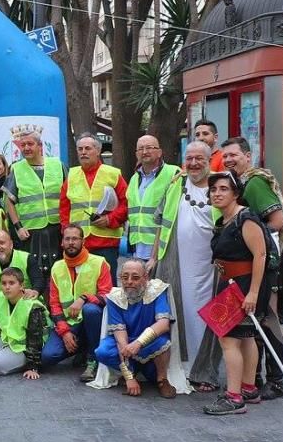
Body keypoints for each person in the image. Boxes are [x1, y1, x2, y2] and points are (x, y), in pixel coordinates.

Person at [221, 135, 283, 400]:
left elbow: (278, 220)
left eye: (234, 155)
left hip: (268, 264)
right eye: (225, 156)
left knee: (268, 320)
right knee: (255, 322)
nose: (229, 160)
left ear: (248, 157)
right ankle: (255, 379)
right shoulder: (239, 184)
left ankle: (274, 381)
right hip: (253, 264)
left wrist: (248, 239)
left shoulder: (255, 183)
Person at [202, 171, 275, 415]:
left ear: (236, 193)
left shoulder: (246, 219)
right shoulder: (224, 220)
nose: (217, 193)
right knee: (245, 336)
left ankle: (234, 397)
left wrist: (253, 293)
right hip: (230, 283)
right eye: (214, 190)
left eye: (223, 189)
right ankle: (248, 387)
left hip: (244, 285)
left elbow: (261, 255)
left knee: (228, 339)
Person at [149, 141, 218, 389]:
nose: (193, 163)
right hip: (174, 264)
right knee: (178, 314)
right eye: (189, 158)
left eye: (199, 158)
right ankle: (180, 367)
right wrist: (154, 256)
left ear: (209, 160)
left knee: (207, 316)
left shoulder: (219, 187)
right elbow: (160, 223)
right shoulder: (176, 184)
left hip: (211, 268)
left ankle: (204, 371)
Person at [91, 259, 182, 399]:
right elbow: (121, 339)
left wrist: (139, 343)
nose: (129, 281)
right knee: (103, 351)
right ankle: (131, 372)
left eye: (135, 277)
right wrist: (129, 378)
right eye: (125, 277)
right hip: (127, 344)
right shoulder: (115, 298)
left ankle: (162, 380)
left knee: (163, 342)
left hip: (149, 344)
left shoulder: (157, 291)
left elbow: (163, 324)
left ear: (145, 278)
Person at [40, 223, 111, 381]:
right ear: (62, 242)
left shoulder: (99, 262)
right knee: (47, 357)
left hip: (91, 320)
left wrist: (84, 298)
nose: (71, 242)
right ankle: (81, 347)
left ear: (83, 242)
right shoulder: (57, 267)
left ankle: (93, 359)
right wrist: (64, 332)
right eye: (67, 239)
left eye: (75, 239)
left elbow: (107, 297)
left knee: (90, 310)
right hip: (69, 324)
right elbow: (54, 304)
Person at [60, 132, 128, 280]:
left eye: (88, 148)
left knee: (106, 286)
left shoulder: (113, 174)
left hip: (106, 241)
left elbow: (126, 203)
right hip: (78, 243)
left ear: (98, 151)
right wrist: (66, 233)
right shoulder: (71, 175)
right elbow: (64, 209)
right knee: (80, 284)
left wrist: (109, 219)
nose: (83, 152)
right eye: (80, 149)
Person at [0, 267, 48, 378]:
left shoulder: (32, 306)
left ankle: (22, 363)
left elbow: (35, 340)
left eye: (11, 283)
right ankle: (3, 355)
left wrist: (33, 367)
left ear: (21, 286)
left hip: (25, 348)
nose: (7, 287)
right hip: (7, 340)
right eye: (4, 283)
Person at [126, 135, 181, 266]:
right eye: (140, 149)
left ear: (160, 152)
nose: (144, 152)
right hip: (137, 247)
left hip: (162, 248)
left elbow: (171, 213)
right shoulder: (134, 178)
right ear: (136, 154)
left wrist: (154, 256)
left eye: (149, 148)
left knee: (160, 286)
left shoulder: (174, 173)